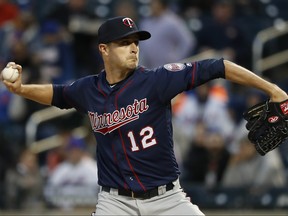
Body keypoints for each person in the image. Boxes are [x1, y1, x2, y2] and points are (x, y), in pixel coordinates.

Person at [1, 16, 287, 215]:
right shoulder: (88, 90)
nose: (134, 47)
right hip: (115, 204)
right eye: (124, 42)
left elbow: (219, 66)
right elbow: (57, 94)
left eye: (135, 41)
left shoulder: (157, 80)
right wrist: (21, 88)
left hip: (168, 200)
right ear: (104, 49)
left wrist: (273, 88)